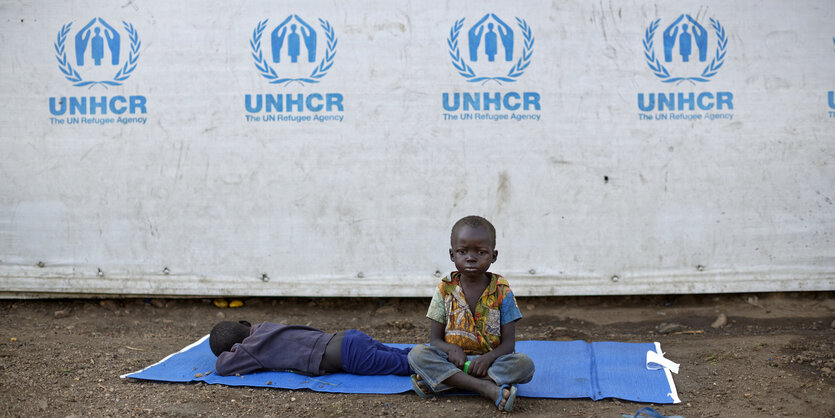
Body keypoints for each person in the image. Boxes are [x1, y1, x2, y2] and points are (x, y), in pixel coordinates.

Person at [408, 216, 534, 412]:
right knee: (417, 354)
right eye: (462, 251)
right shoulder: (444, 289)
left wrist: (488, 358)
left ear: (494, 256)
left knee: (524, 365)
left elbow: (509, 345)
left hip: (490, 363)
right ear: (452, 254)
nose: (471, 257)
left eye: (481, 252)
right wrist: (450, 350)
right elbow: (435, 340)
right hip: (453, 361)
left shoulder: (502, 291)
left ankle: (446, 382)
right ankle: (486, 387)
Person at [210, 320, 412, 377]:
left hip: (348, 356)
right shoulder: (264, 327)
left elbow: (222, 367)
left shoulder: (249, 350)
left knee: (408, 365)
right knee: (404, 354)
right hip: (349, 336)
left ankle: (441, 364)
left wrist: (233, 350)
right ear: (245, 324)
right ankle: (438, 352)